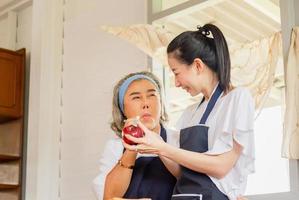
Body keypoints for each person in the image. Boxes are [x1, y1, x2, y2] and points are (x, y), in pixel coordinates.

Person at [123, 24, 255, 200]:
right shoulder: (190, 112)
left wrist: (163, 147)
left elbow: (221, 167)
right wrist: (155, 144)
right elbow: (181, 173)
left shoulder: (237, 99)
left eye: (176, 73)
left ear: (198, 66)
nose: (176, 83)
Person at [93, 71, 178, 200]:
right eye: (136, 97)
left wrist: (159, 147)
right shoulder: (114, 147)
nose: (145, 103)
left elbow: (191, 182)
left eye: (152, 95)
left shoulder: (178, 139)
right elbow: (108, 196)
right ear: (123, 109)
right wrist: (131, 147)